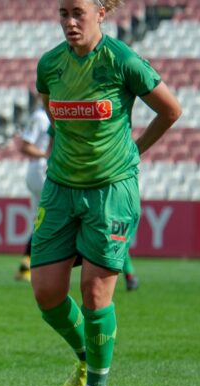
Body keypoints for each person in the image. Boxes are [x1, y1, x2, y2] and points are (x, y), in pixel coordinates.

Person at [32, 0, 181, 386]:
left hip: (111, 190)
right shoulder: (50, 65)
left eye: (78, 12)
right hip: (60, 188)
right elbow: (52, 110)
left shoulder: (124, 62)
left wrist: (135, 150)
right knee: (46, 293)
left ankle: (97, 385)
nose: (69, 21)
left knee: (95, 292)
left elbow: (171, 110)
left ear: (101, 13)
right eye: (63, 13)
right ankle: (85, 357)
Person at [14, 108, 140, 293]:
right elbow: (33, 145)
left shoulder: (60, 110)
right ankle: (126, 272)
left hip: (49, 173)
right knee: (104, 226)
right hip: (66, 175)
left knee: (43, 221)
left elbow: (46, 142)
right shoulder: (59, 113)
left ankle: (29, 266)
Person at [14, 103, 51, 282]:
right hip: (41, 172)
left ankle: (26, 266)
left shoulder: (49, 116)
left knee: (40, 221)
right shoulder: (41, 117)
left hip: (37, 172)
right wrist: (47, 155)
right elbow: (25, 146)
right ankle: (39, 266)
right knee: (50, 219)